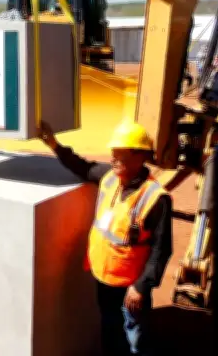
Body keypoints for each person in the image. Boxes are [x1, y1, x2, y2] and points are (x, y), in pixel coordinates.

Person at [38, 119, 172, 356]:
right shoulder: (109, 177)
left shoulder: (155, 198)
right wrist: (53, 144)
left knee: (134, 339)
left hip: (129, 287)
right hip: (104, 278)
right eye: (113, 154)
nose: (113, 159)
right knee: (110, 329)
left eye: (120, 155)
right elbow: (81, 166)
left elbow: (162, 250)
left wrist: (141, 287)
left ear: (140, 156)